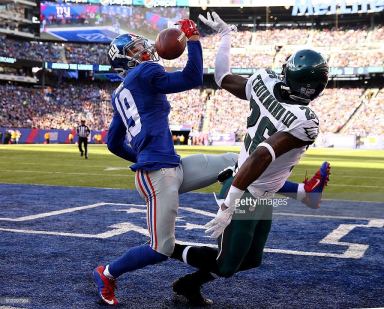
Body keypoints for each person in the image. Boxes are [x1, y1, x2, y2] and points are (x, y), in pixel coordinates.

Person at [93, 18, 330, 307]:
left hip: (171, 166)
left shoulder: (120, 94)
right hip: (156, 173)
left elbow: (113, 143)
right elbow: (193, 78)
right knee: (161, 248)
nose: (144, 50)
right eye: (135, 50)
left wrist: (142, 155)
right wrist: (193, 40)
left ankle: (303, 193)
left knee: (234, 161)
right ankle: (107, 272)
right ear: (124, 63)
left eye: (141, 46)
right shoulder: (145, 73)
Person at [170, 12, 331, 305]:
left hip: (258, 191)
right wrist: (230, 205)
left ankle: (188, 284)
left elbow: (222, 78)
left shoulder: (265, 81)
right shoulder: (304, 120)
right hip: (244, 191)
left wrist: (227, 37)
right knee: (227, 266)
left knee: (252, 260)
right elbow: (262, 155)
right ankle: (167, 248)